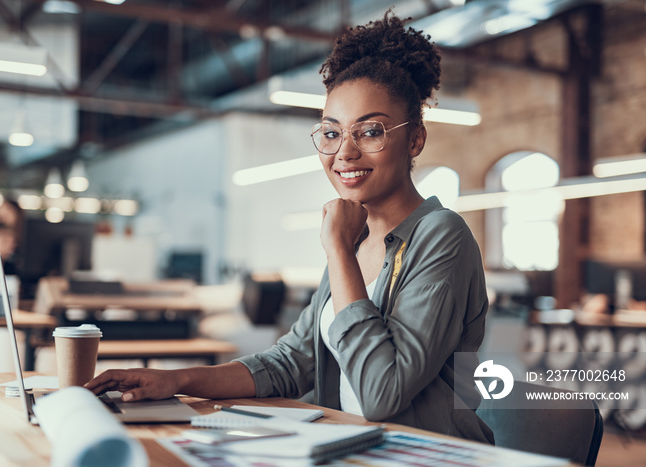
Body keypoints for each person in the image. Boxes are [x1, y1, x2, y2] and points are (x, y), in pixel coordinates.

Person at [85, 11, 493, 443]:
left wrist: (337, 249)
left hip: (426, 454)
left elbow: (381, 393)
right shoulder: (355, 239)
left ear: (414, 140)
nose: (344, 153)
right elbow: (292, 362)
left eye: (370, 131)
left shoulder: (440, 235)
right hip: (350, 447)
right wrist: (173, 381)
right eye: (332, 133)